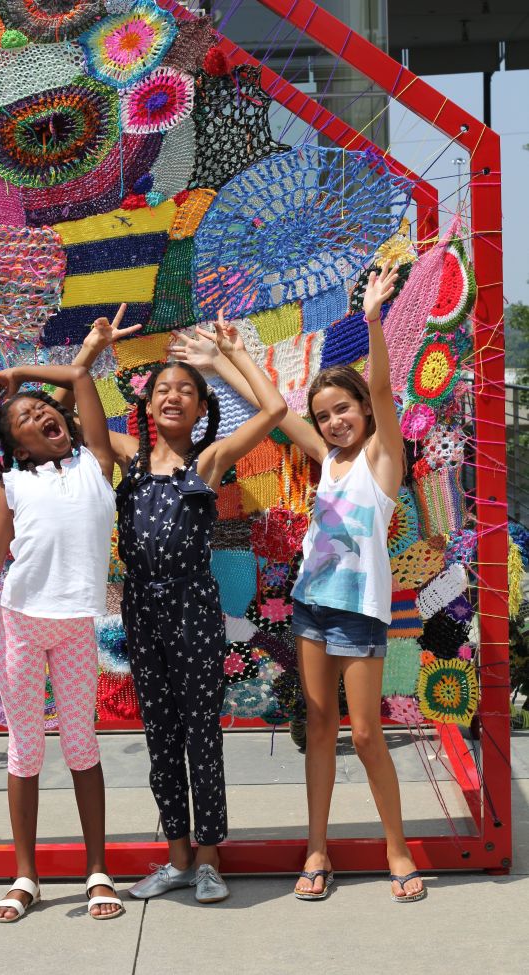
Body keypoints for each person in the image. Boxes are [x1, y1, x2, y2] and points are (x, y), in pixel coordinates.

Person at [168, 263, 426, 904]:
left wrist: (372, 321)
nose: (334, 422)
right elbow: (271, 410)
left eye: (343, 410)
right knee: (317, 728)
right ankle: (317, 849)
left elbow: (388, 395)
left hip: (361, 615)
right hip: (312, 609)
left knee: (364, 734)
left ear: (364, 411)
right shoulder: (330, 461)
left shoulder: (381, 460)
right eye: (325, 414)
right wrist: (224, 357)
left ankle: (397, 848)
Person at [61, 312, 287, 904]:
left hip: (192, 605)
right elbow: (69, 413)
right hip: (140, 605)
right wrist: (91, 353)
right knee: (160, 735)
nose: (173, 396)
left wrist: (231, 357)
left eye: (186, 390)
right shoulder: (127, 455)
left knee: (200, 735)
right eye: (164, 388)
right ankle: (178, 859)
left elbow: (274, 412)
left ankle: (211, 859)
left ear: (200, 407)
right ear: (148, 403)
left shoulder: (207, 462)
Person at [0, 338, 138, 922]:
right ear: (14, 445)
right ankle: (26, 875)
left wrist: (21, 374)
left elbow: (77, 376)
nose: (40, 415)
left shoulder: (97, 464)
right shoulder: (14, 486)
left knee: (81, 746)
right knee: (24, 752)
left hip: (75, 628)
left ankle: (97, 870)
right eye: (25, 417)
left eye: (42, 409)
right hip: (20, 625)